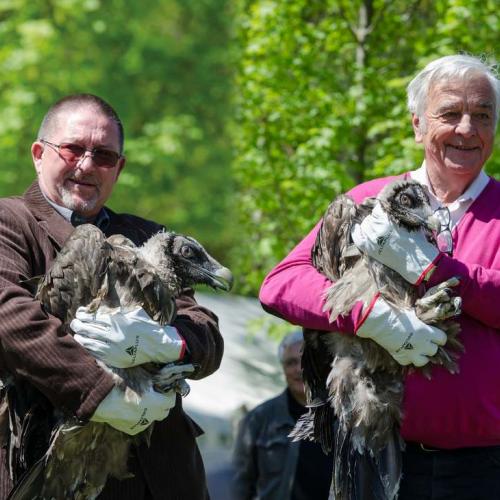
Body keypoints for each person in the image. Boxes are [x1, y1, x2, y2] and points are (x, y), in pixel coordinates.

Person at [259, 54, 500, 499]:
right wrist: (367, 314)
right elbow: (281, 284)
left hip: (485, 467)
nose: (467, 129)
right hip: (376, 458)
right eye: (449, 113)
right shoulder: (367, 201)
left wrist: (436, 270)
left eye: (482, 115)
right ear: (417, 125)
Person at [0, 94, 223, 499]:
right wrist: (102, 394)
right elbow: (8, 316)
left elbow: (206, 329)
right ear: (38, 154)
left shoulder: (148, 236)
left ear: (118, 169)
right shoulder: (10, 222)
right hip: (51, 467)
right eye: (72, 149)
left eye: (103, 156)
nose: (86, 165)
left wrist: (172, 344)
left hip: (162, 477)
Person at [231, 330, 333, 499]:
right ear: (283, 368)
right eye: (291, 362)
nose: (300, 369)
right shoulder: (258, 419)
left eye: (307, 360)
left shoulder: (345, 419)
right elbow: (238, 485)